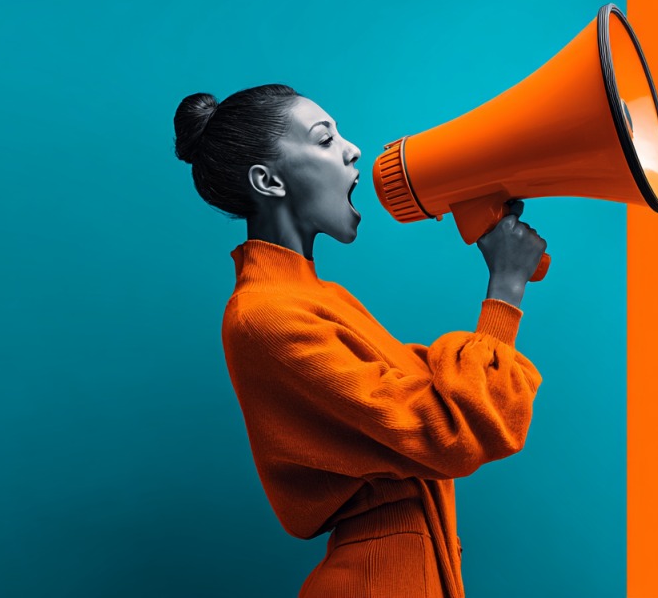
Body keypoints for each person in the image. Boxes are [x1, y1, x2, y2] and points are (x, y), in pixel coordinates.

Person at [173, 83, 547, 598]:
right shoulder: (264, 316)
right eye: (325, 139)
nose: (353, 149)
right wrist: (505, 289)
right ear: (268, 180)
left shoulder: (316, 299)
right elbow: (453, 430)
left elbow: (443, 399)